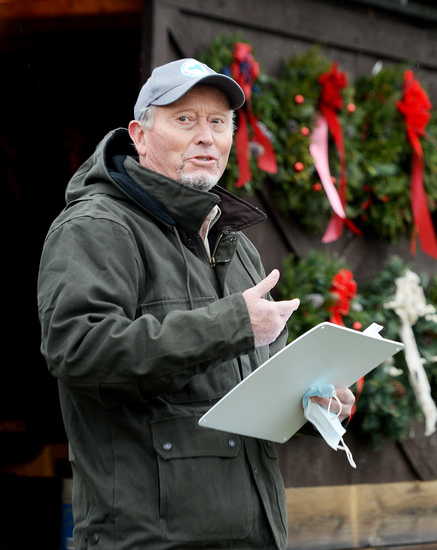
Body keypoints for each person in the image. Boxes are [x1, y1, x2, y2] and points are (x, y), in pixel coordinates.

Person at [37, 58, 355, 549]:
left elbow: (249, 389)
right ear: (140, 136)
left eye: (219, 122)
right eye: (184, 119)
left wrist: (316, 403)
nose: (206, 136)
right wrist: (230, 324)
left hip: (254, 535)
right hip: (147, 540)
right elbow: (79, 351)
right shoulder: (96, 226)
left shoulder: (231, 240)